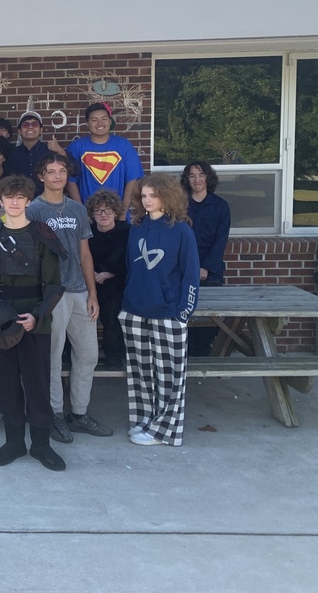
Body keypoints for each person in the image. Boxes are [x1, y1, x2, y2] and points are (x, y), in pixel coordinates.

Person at [0, 176, 66, 471]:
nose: (14, 202)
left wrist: (38, 316)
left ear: (28, 201)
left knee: (37, 383)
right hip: (1, 318)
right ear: (0, 201)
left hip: (35, 318)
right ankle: (14, 442)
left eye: (20, 197)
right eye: (9, 197)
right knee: (6, 384)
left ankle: (41, 445)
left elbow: (54, 284)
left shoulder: (42, 234)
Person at [26, 153, 113, 443]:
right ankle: (54, 415)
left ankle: (79, 413)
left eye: (61, 171)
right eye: (50, 171)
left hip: (79, 292)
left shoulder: (76, 209)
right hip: (52, 294)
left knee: (87, 354)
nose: (57, 176)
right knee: (51, 358)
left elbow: (85, 254)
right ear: (41, 177)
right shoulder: (34, 210)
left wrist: (93, 293)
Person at [121, 174, 200, 446]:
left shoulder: (181, 231)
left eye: (153, 195)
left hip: (168, 313)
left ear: (168, 196)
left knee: (169, 376)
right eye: (143, 195)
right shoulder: (137, 227)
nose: (147, 200)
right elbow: (132, 269)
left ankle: (165, 431)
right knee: (141, 373)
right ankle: (145, 421)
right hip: (135, 310)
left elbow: (190, 276)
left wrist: (183, 313)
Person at [182, 160, 231, 356]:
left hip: (210, 269)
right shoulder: (181, 205)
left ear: (208, 178)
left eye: (201, 175)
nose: (197, 180)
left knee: (210, 315)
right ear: (187, 179)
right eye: (192, 175)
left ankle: (201, 352)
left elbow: (221, 240)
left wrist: (206, 268)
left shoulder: (220, 206)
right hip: (184, 266)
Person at [65, 102, 144, 212]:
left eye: (104, 119)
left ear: (110, 121)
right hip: (87, 214)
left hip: (117, 213)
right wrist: (81, 212)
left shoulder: (124, 145)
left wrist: (123, 210)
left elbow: (132, 179)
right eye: (94, 120)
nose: (100, 123)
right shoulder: (76, 147)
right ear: (87, 124)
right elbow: (70, 181)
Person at [86, 189, 130, 370]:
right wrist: (93, 275)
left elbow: (129, 261)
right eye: (98, 211)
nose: (103, 215)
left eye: (108, 211)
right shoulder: (87, 233)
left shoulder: (127, 232)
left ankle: (114, 355)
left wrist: (110, 273)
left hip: (117, 281)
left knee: (113, 312)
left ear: (116, 212)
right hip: (89, 281)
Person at [5, 111, 52, 195]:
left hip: (46, 201)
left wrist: (61, 151)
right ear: (19, 131)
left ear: (41, 130)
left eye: (34, 125)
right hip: (20, 202)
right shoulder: (12, 154)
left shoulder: (50, 152)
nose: (30, 127)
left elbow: (75, 171)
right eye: (26, 125)